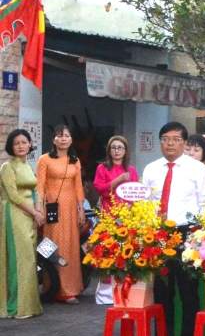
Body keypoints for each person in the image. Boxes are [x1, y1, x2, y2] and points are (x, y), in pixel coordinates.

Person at [143, 123, 205, 336]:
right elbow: (146, 204)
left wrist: (198, 236)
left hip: (187, 234)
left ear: (184, 143)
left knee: (188, 293)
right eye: (165, 139)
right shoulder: (151, 169)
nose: (170, 144)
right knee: (162, 293)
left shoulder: (197, 169)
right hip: (159, 235)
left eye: (175, 139)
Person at [36, 125, 87, 304]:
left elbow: (78, 187)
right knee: (54, 246)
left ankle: (71, 289)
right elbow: (39, 186)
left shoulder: (75, 161)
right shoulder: (44, 160)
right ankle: (54, 287)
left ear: (71, 139)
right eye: (59, 136)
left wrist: (81, 210)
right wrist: (39, 208)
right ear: (53, 140)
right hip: (52, 209)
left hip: (71, 208)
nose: (63, 138)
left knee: (71, 247)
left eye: (66, 135)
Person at [1, 129, 43, 319]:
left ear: (29, 144)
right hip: (15, 214)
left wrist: (39, 211)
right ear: (11, 146)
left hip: (30, 216)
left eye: (24, 142)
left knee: (29, 260)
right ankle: (14, 306)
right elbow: (14, 196)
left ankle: (29, 305)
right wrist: (34, 212)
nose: (20, 146)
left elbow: (35, 191)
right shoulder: (7, 167)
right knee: (18, 259)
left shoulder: (28, 166)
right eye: (16, 143)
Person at [93, 135, 139, 213]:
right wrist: (118, 180)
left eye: (119, 148)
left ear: (125, 151)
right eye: (113, 148)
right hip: (108, 211)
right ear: (109, 151)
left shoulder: (131, 170)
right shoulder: (102, 168)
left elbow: (135, 193)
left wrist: (131, 205)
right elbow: (99, 189)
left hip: (128, 213)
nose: (116, 151)